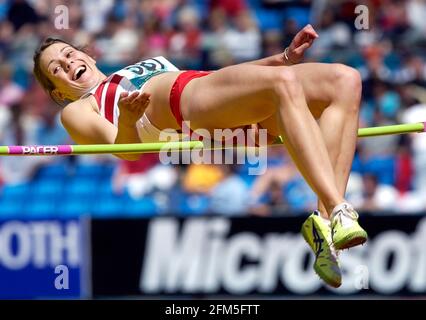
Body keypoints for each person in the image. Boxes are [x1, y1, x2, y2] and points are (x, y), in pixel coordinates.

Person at [33, 24, 367, 288]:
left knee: (345, 79)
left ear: (88, 56)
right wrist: (130, 119)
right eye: (56, 69)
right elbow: (125, 152)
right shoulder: (78, 108)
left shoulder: (129, 71)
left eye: (68, 53)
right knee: (282, 83)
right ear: (58, 91)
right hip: (181, 107)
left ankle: (324, 223)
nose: (67, 63)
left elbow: (220, 81)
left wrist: (281, 58)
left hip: (209, 95)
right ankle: (338, 207)